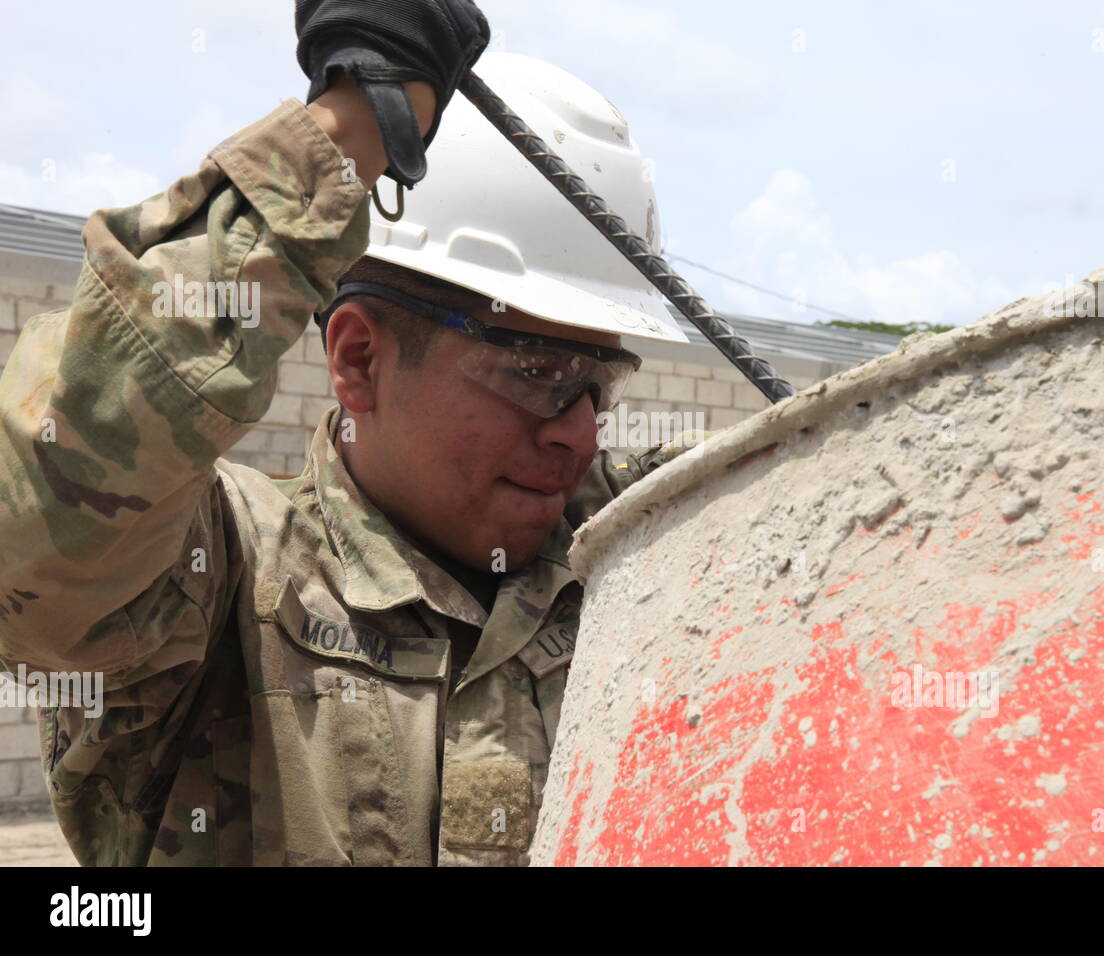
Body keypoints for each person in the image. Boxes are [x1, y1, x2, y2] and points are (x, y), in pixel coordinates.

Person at [0, 0, 690, 865]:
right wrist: (346, 130)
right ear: (359, 358)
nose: (580, 436)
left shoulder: (641, 557)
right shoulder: (222, 586)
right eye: (538, 374)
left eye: (600, 386)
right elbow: (42, 521)